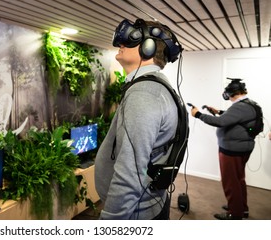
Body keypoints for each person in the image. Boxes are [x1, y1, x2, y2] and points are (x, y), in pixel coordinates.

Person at [94, 18, 183, 219]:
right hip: (149, 204)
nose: (121, 44)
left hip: (136, 213)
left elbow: (130, 173)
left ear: (148, 49)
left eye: (132, 40)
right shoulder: (157, 87)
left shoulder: (144, 93)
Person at [190, 78, 259, 220]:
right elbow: (233, 118)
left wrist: (198, 114)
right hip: (242, 148)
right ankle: (241, 207)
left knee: (231, 181)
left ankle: (235, 213)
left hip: (232, 150)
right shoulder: (248, 104)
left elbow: (220, 122)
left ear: (230, 93)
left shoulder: (239, 106)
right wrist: (219, 111)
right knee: (239, 179)